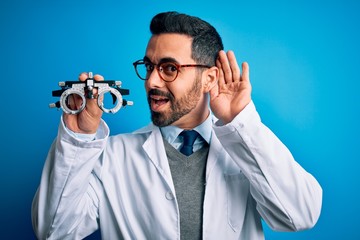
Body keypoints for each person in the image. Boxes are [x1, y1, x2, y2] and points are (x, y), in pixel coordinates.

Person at [32, 11, 322, 240]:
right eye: (148, 67)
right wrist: (78, 139)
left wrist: (241, 123)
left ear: (209, 78)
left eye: (170, 68)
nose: (152, 82)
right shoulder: (112, 156)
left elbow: (299, 216)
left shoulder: (245, 149)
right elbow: (53, 232)